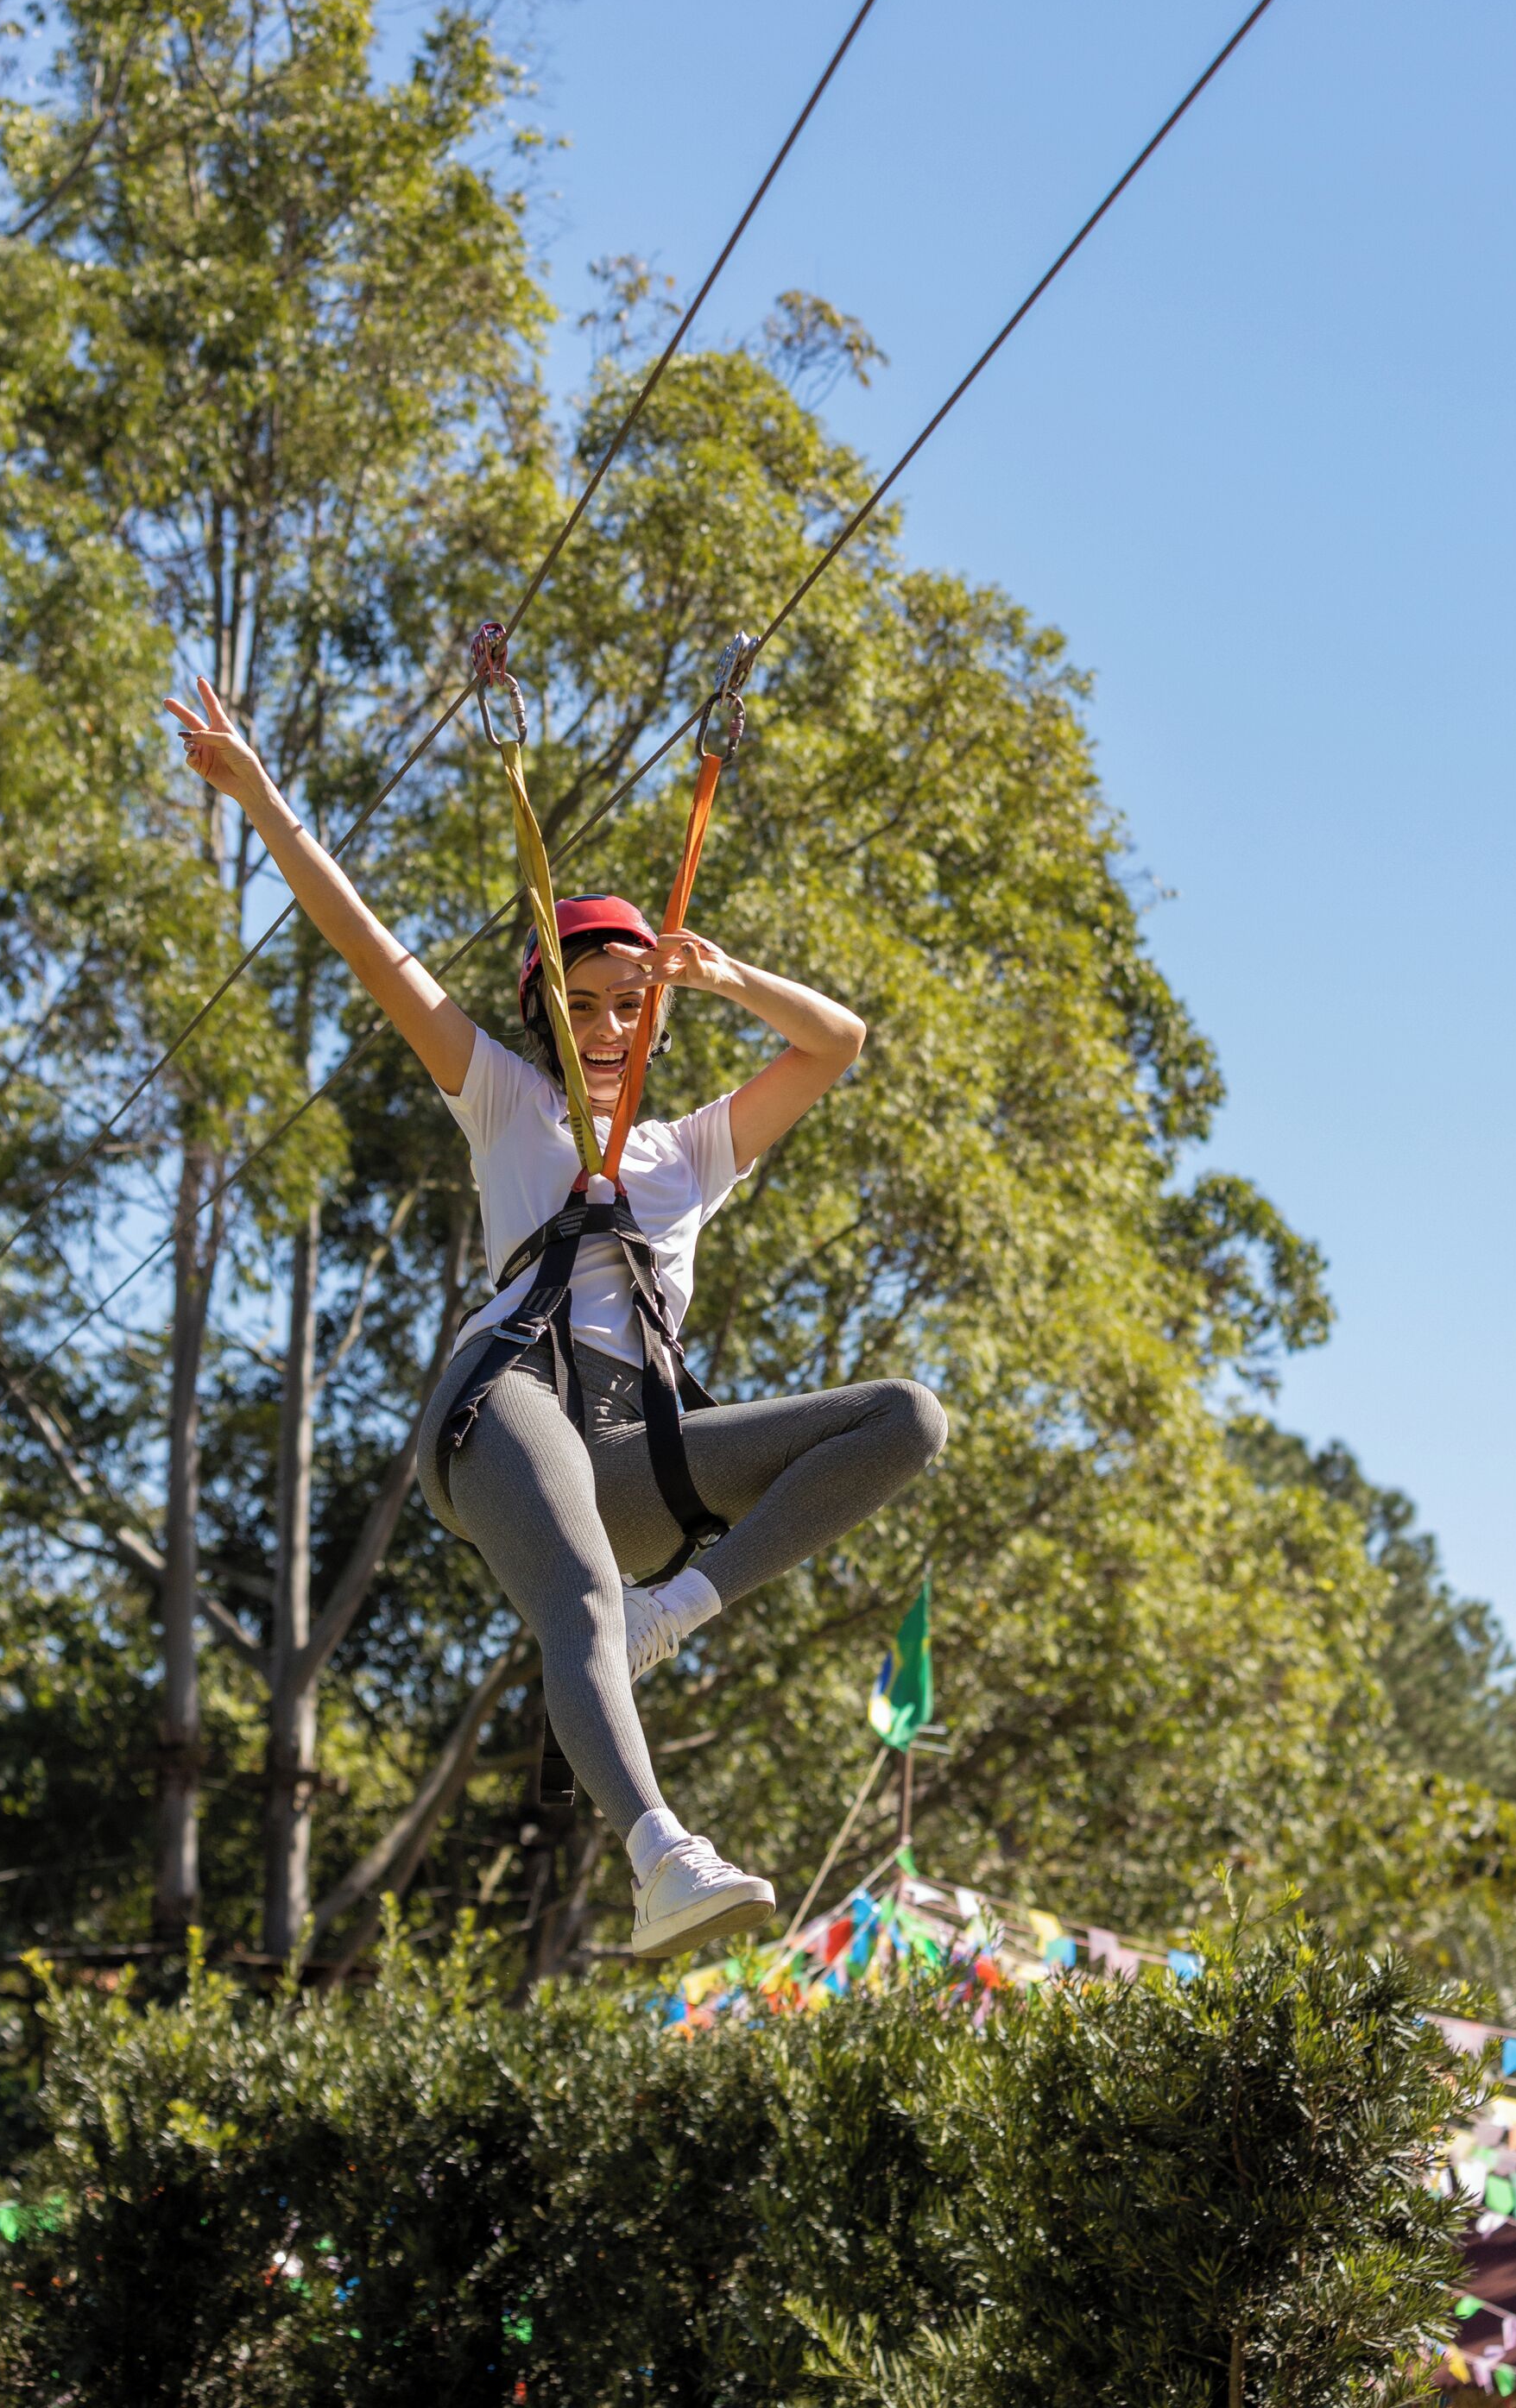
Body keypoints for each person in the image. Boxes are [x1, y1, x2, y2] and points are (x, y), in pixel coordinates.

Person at [163, 675, 947, 1960]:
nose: (605, 1028)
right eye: (579, 1006)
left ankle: (666, 1615)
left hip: (633, 1452)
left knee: (905, 1419)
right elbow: (367, 943)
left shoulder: (691, 1153)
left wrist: (723, 974)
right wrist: (261, 799)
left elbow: (835, 1043)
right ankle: (661, 1858)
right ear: (541, 1017)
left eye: (630, 1006)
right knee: (577, 1591)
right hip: (505, 1405)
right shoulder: (506, 1103)